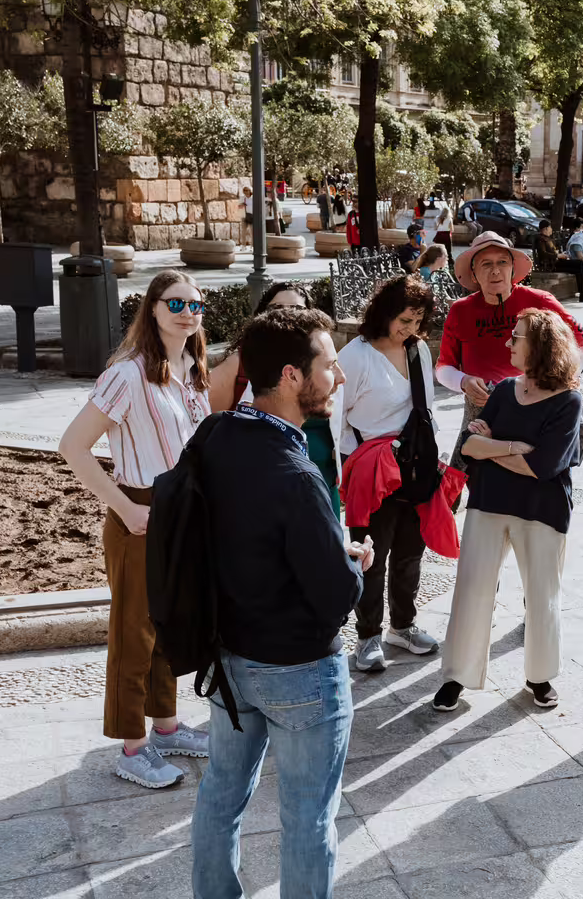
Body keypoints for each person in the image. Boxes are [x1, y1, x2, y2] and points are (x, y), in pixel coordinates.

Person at [190, 307, 371, 899]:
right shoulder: (297, 472)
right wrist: (352, 561)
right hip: (300, 674)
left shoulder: (214, 436)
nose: (339, 377)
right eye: (331, 364)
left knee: (219, 794)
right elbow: (338, 596)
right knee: (307, 818)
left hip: (227, 659)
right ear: (293, 376)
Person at [57, 270, 211, 788]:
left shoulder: (191, 368)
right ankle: (131, 747)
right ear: (152, 308)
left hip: (179, 512)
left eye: (196, 304)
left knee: (167, 625)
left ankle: (165, 728)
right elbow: (73, 447)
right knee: (133, 636)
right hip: (139, 512)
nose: (188, 312)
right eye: (176, 303)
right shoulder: (127, 374)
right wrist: (125, 508)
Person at [434, 309, 583, 712]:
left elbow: (543, 467)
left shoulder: (569, 402)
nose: (508, 344)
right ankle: (456, 677)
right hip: (489, 503)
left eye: (515, 338)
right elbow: (469, 447)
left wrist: (493, 447)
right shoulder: (502, 391)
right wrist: (514, 447)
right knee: (471, 589)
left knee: (541, 596)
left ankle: (540, 676)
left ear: (539, 346)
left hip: (543, 509)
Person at [337, 275, 443, 672]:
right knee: (370, 555)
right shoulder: (356, 355)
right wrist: (354, 462)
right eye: (404, 320)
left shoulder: (417, 351)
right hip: (370, 468)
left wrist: (436, 458)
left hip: (414, 466)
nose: (409, 330)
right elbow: (335, 416)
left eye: (417, 321)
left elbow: (427, 410)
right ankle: (367, 636)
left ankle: (403, 625)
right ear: (384, 313)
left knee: (410, 553)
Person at [436, 232, 583, 474]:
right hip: (480, 407)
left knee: (539, 470)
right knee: (458, 477)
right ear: (474, 273)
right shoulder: (460, 310)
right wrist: (463, 381)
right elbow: (443, 367)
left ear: (512, 268)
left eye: (502, 262)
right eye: (486, 264)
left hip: (535, 405)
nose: (495, 271)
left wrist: (563, 384)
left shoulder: (540, 301)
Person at [208, 282, 342, 511]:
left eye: (297, 310)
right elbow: (206, 425)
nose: (286, 314)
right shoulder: (238, 366)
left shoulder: (323, 365)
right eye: (277, 307)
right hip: (260, 497)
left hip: (323, 486)